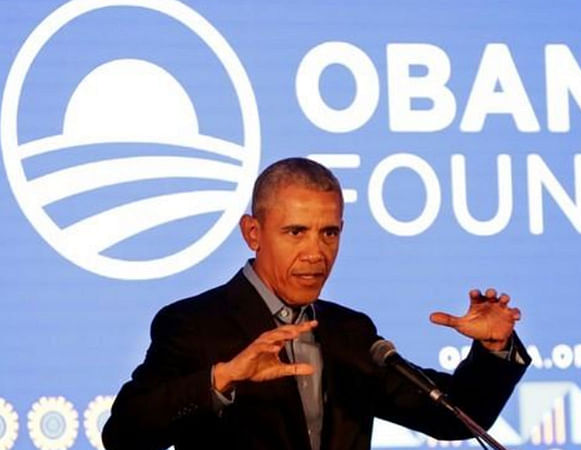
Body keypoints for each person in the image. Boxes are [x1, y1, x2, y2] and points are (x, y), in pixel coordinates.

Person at [102, 158, 531, 450]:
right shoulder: (194, 324)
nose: (316, 252)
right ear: (253, 233)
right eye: (295, 232)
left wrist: (494, 349)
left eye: (329, 233)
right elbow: (124, 433)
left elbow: (454, 416)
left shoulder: (351, 333)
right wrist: (224, 378)